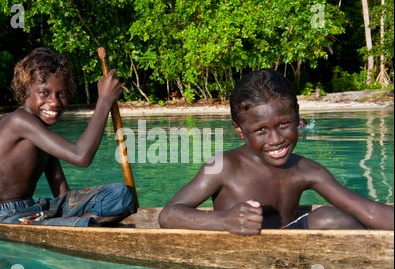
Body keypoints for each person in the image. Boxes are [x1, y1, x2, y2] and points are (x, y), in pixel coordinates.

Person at [159, 68, 394, 235]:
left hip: (290, 252)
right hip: (240, 253)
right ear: (240, 131)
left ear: (297, 118)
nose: (276, 140)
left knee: (333, 218)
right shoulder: (223, 166)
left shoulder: (307, 170)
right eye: (260, 130)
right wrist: (225, 220)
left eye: (283, 124)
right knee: (329, 217)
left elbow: (368, 211)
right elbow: (169, 215)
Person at [0, 47, 134, 227]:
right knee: (116, 203)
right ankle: (76, 224)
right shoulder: (18, 121)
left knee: (121, 195)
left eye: (62, 93)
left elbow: (63, 195)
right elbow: (81, 156)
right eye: (44, 93)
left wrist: (83, 206)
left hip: (32, 209)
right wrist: (104, 101)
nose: (54, 102)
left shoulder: (43, 134)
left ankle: (74, 223)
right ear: (24, 92)